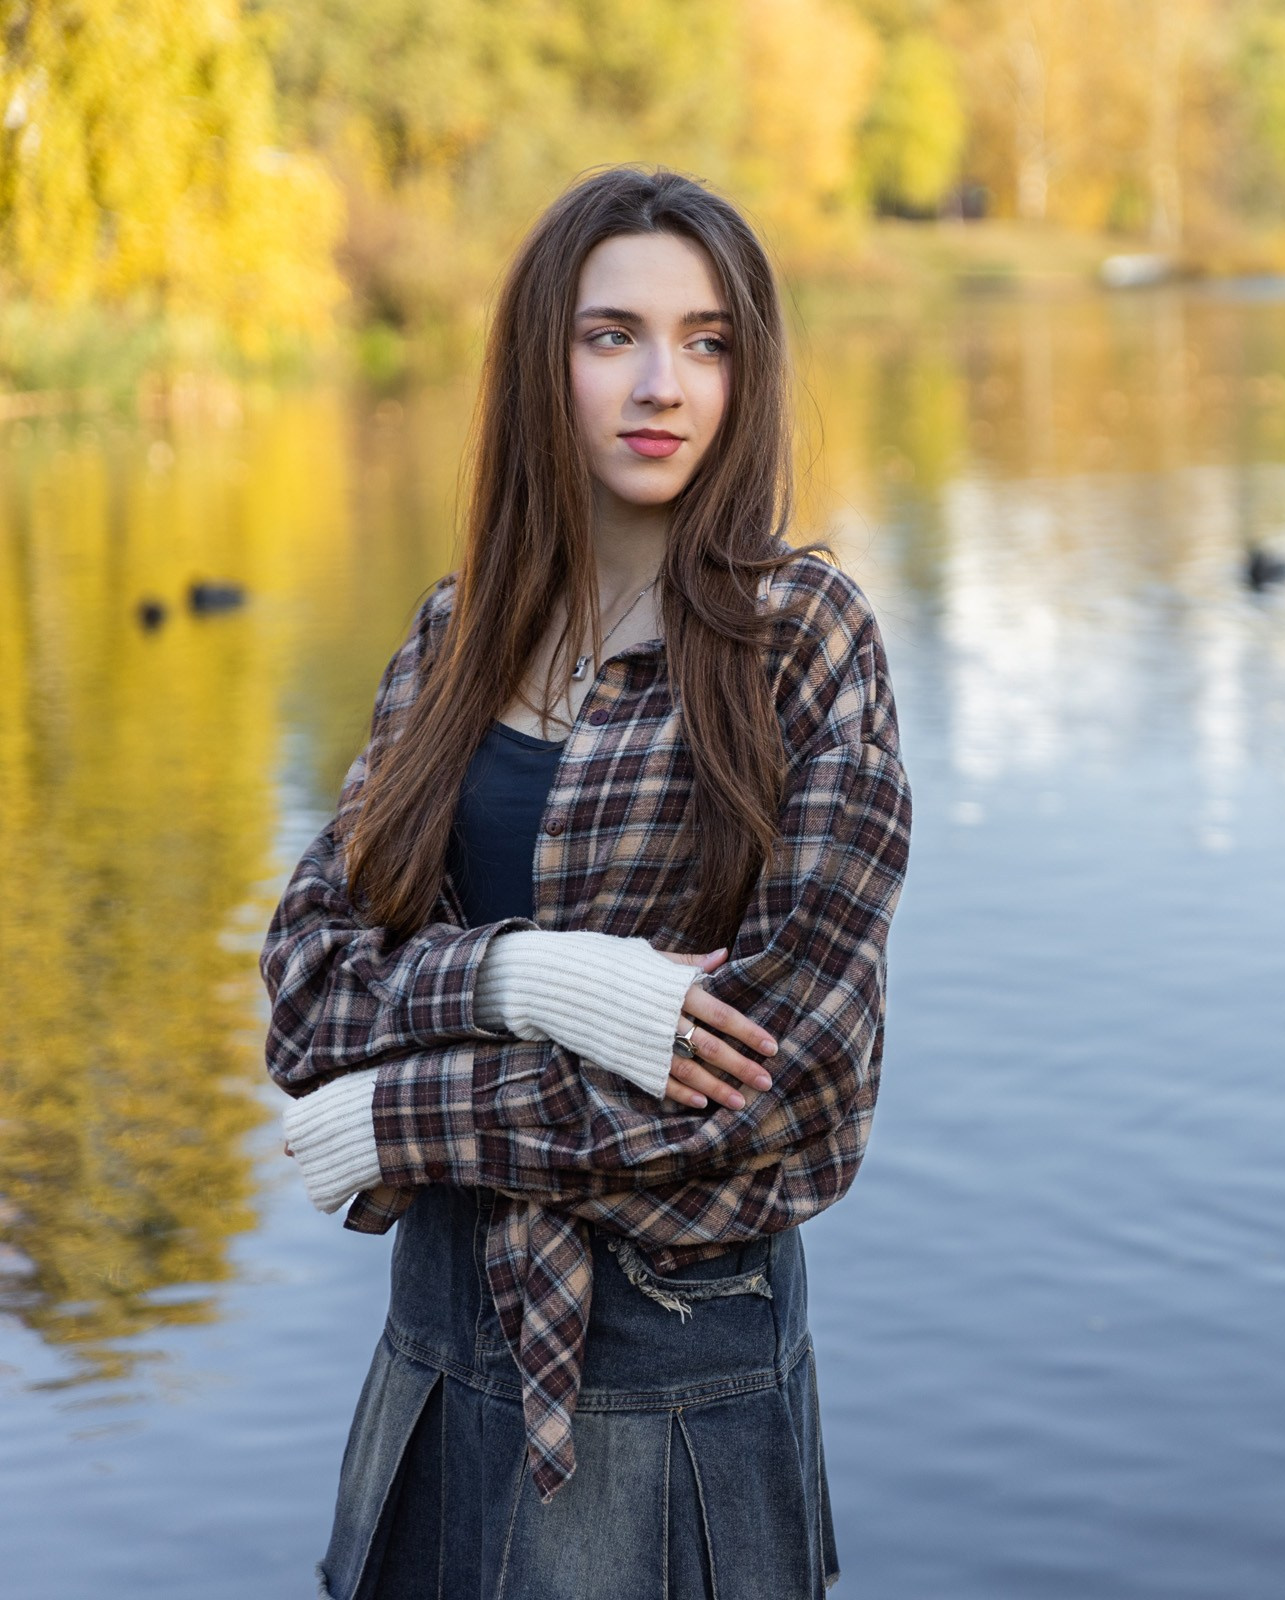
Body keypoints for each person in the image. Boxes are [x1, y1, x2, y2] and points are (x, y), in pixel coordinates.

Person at [261, 166, 911, 1600]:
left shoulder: (805, 644)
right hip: (434, 1360)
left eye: (709, 339)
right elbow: (307, 996)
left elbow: (785, 1096)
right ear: (542, 360)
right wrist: (541, 979)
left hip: (672, 1387)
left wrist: (398, 1111)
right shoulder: (456, 643)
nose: (662, 383)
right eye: (612, 334)